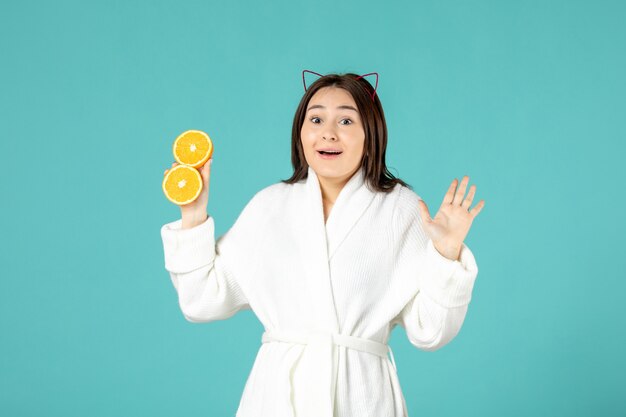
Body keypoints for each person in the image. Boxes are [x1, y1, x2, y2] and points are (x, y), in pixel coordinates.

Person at [160, 71, 484, 417]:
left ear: (370, 135)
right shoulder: (269, 206)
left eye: (346, 119)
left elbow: (431, 331)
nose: (329, 132)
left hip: (361, 397)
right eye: (316, 119)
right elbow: (201, 301)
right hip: (277, 399)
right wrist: (193, 216)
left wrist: (446, 252)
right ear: (300, 132)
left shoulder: (401, 210)